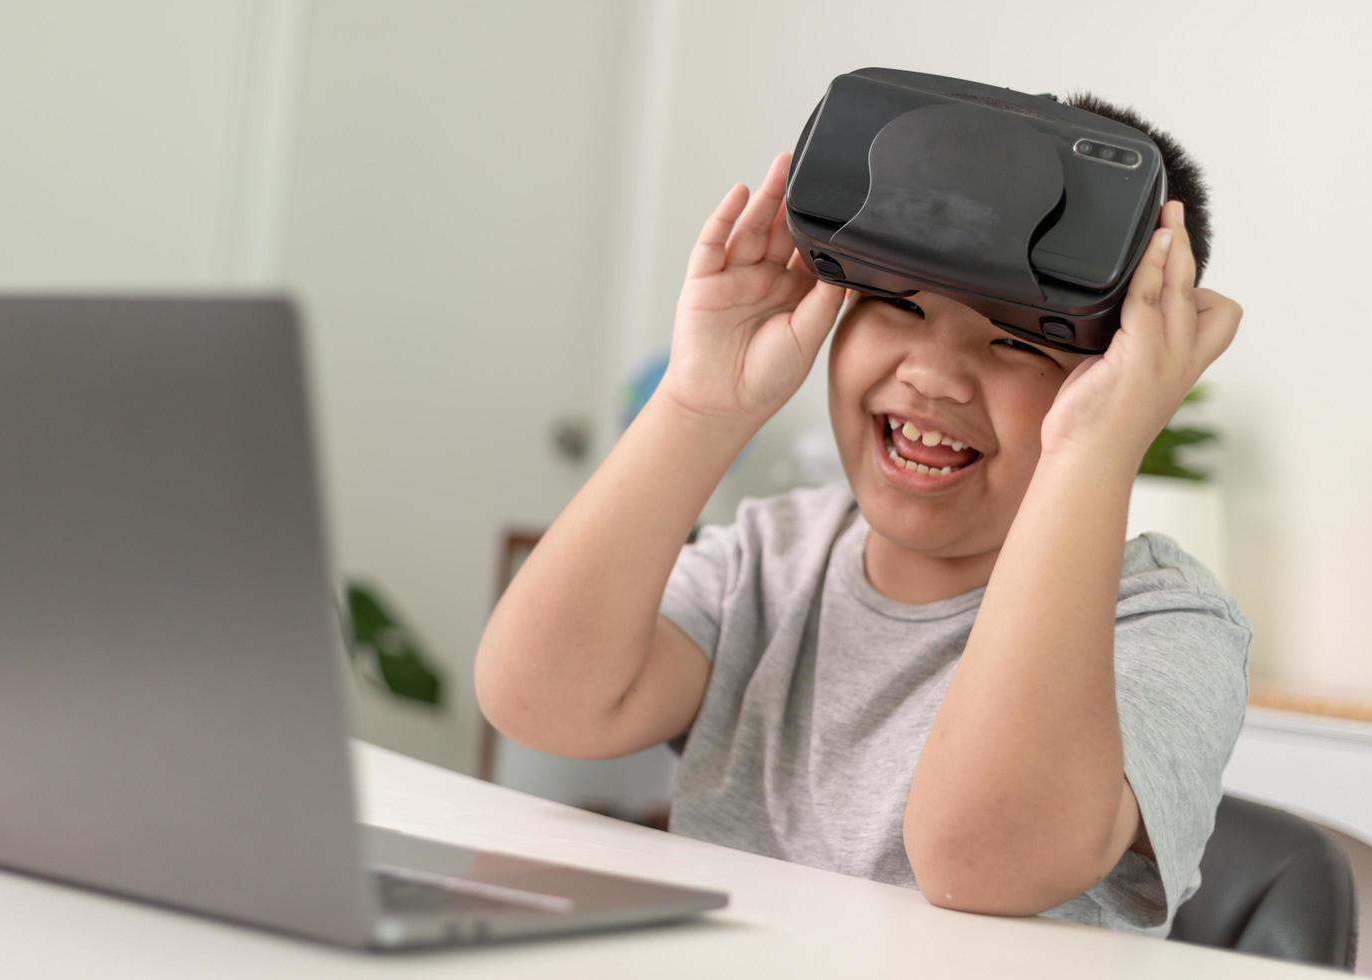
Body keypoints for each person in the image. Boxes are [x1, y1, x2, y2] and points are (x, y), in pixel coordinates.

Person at [474, 91, 1248, 937]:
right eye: (900, 305)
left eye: (1022, 340)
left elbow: (980, 863)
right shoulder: (776, 558)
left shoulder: (1167, 625)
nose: (934, 375)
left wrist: (1093, 453)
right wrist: (701, 407)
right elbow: (541, 702)